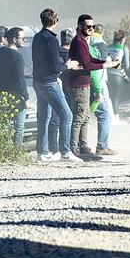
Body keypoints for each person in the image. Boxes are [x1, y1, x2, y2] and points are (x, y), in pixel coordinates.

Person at [31, 9, 81, 162]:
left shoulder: (37, 37)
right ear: (55, 22)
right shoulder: (52, 40)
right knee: (67, 115)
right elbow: (55, 65)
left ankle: (42, 152)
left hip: (38, 81)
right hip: (50, 82)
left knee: (44, 117)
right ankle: (65, 152)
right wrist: (68, 65)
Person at [68, 14, 120, 159]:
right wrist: (106, 64)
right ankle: (74, 149)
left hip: (84, 83)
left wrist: (105, 62)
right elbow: (87, 64)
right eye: (88, 26)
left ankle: (84, 148)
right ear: (79, 26)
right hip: (78, 85)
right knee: (79, 117)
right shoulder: (78, 42)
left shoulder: (83, 41)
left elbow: (89, 59)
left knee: (85, 117)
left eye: (93, 26)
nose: (91, 29)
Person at [0, 26, 30, 146]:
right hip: (17, 95)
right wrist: (26, 97)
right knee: (19, 126)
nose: (25, 41)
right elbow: (20, 79)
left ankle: (5, 150)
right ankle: (16, 152)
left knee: (6, 126)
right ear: (14, 39)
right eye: (23, 38)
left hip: (2, 93)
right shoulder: (17, 56)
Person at [88, 25, 116, 156]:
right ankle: (102, 145)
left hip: (89, 82)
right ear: (103, 31)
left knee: (81, 116)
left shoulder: (85, 42)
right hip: (98, 82)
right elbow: (103, 61)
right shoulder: (100, 43)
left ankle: (79, 145)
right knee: (105, 114)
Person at [106, 30, 130, 113]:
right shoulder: (124, 48)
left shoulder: (108, 47)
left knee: (108, 96)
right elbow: (127, 65)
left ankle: (108, 115)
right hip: (117, 74)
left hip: (107, 74)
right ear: (122, 39)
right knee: (116, 97)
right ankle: (116, 116)